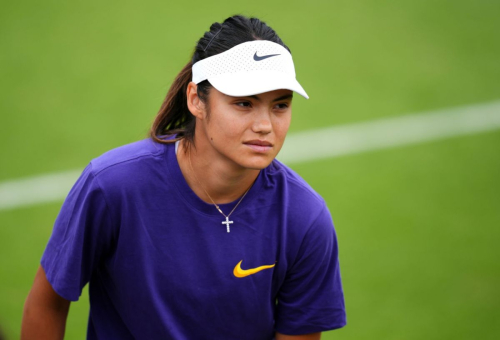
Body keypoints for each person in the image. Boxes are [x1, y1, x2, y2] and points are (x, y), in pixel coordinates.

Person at [21, 15, 346, 340]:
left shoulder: (305, 217)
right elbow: (46, 305)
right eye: (244, 103)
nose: (265, 125)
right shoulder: (111, 186)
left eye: (280, 105)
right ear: (196, 100)